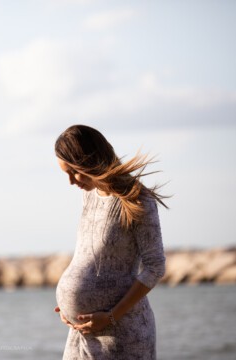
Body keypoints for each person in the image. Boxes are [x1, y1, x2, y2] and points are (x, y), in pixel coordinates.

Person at [52, 125, 168, 359]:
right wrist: (69, 308)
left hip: (122, 334)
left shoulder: (138, 200)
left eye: (73, 172)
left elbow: (155, 267)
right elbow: (89, 254)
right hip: (81, 333)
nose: (71, 182)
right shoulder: (90, 194)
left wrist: (112, 316)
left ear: (90, 161)